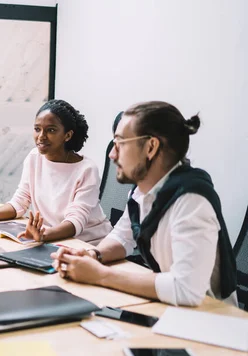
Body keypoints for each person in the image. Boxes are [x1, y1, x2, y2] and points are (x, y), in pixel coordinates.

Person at [51, 101, 238, 307]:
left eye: (120, 142)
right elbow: (123, 236)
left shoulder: (191, 201)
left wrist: (101, 275)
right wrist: (93, 255)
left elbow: (186, 289)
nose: (112, 154)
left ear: (151, 147)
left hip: (208, 318)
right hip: (168, 307)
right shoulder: (143, 191)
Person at [0, 99, 112, 245]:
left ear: (67, 135)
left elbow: (75, 222)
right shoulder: (34, 158)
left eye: (51, 130)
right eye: (37, 129)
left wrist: (43, 236)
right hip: (54, 239)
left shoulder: (86, 169)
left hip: (89, 243)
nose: (41, 137)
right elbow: (19, 204)